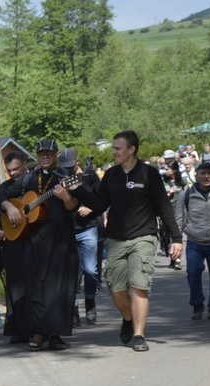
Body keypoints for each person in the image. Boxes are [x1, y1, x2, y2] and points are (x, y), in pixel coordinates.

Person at [69, 130, 183, 352]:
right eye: (113, 148)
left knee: (138, 286)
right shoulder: (111, 175)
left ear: (131, 149)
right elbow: (100, 205)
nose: (113, 152)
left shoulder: (148, 174)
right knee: (116, 289)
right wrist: (78, 191)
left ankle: (139, 335)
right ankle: (129, 318)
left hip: (144, 237)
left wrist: (176, 239)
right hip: (116, 239)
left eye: (117, 148)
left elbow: (163, 208)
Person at [0, 139, 80, 351]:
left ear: (56, 155)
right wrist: (9, 207)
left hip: (61, 240)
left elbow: (73, 207)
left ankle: (56, 335)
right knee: (36, 288)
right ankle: (38, 332)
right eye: (41, 153)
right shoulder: (28, 179)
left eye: (49, 153)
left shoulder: (65, 178)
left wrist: (67, 197)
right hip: (34, 241)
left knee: (59, 289)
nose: (45, 156)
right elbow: (2, 195)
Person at [0, 151, 33, 344]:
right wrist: (8, 207)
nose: (13, 174)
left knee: (32, 285)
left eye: (16, 169)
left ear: (25, 164)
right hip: (13, 242)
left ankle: (35, 328)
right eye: (9, 170)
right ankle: (17, 328)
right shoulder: (5, 187)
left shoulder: (34, 181)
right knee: (15, 286)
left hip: (33, 241)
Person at [175, 161, 210, 320]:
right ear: (197, 175)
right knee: (193, 272)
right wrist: (177, 241)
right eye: (203, 173)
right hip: (195, 242)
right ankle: (197, 304)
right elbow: (179, 219)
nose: (206, 176)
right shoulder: (185, 195)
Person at [60, 148, 100, 325]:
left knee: (91, 271)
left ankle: (90, 300)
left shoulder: (90, 175)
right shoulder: (59, 177)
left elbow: (103, 200)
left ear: (76, 161)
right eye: (64, 167)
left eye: (70, 166)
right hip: (67, 230)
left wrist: (90, 208)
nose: (67, 169)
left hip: (88, 228)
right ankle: (74, 309)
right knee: (72, 274)